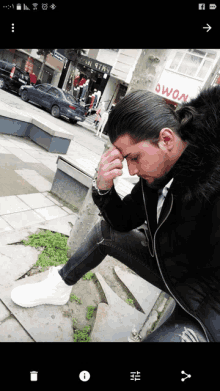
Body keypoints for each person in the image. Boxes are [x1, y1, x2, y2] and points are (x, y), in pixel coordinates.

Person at [11, 86, 220, 342]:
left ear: (166, 140)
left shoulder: (213, 185)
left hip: (208, 305)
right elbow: (124, 221)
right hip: (170, 268)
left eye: (134, 158)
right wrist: (103, 189)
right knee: (104, 233)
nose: (131, 171)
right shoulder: (156, 173)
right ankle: (60, 285)